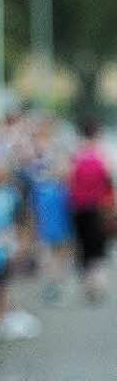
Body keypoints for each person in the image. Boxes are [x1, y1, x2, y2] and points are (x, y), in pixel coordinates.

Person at [68, 116, 114, 302]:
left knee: (84, 245)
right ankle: (97, 285)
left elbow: (69, 181)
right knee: (98, 247)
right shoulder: (103, 155)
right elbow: (109, 182)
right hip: (99, 207)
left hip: (79, 207)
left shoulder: (76, 154)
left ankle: (88, 284)